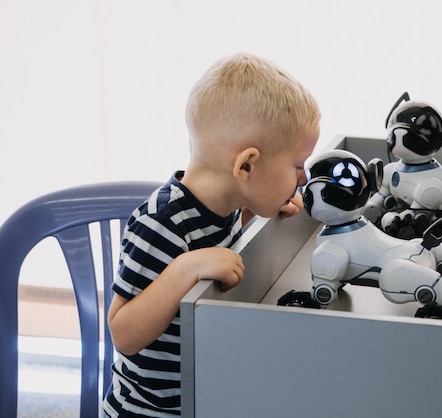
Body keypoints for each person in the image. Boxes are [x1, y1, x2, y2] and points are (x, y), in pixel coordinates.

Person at [102, 52, 321, 417]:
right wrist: (185, 269)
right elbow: (122, 333)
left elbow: (221, 253)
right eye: (297, 165)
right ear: (246, 165)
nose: (303, 178)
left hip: (201, 398)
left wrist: (255, 212)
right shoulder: (162, 224)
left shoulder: (229, 205)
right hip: (149, 412)